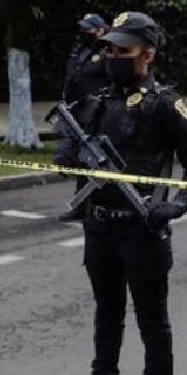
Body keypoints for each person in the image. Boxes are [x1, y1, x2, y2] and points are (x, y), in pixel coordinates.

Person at [52, 11, 187, 375]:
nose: (113, 56)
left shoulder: (165, 103)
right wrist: (67, 156)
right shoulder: (97, 100)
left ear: (148, 54)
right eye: (110, 48)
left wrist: (177, 203)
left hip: (142, 228)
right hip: (99, 225)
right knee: (107, 311)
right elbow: (69, 139)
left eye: (123, 50)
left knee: (151, 318)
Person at [57, 12, 110, 222]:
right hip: (75, 113)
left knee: (94, 161)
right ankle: (82, 206)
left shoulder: (108, 52)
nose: (83, 32)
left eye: (88, 29)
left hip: (97, 115)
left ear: (100, 30)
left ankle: (92, 205)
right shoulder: (80, 51)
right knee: (71, 158)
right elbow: (71, 80)